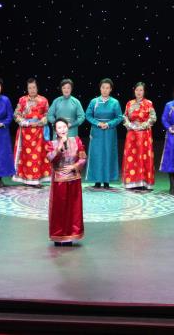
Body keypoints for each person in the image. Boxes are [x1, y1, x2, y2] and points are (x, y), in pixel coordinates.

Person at [47, 118, 87, 246]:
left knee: (73, 209)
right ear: (55, 130)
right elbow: (51, 158)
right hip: (59, 180)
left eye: (64, 127)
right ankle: (58, 235)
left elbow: (83, 158)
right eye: (59, 128)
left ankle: (70, 236)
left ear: (68, 128)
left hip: (74, 179)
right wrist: (60, 146)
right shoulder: (51, 144)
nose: (62, 129)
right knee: (59, 209)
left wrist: (74, 166)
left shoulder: (76, 140)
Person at [12, 78, 51, 187]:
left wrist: (42, 121)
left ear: (37, 88)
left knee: (38, 156)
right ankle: (26, 179)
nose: (32, 90)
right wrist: (24, 122)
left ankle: (36, 179)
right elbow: (16, 114)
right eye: (30, 88)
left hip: (39, 132)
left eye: (34, 87)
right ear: (27, 89)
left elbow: (48, 114)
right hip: (25, 132)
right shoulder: (22, 100)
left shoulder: (43, 100)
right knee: (26, 156)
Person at [84, 78, 122, 189]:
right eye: (103, 87)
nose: (105, 90)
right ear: (100, 88)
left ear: (110, 89)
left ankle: (107, 180)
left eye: (107, 88)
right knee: (97, 155)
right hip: (96, 131)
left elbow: (119, 117)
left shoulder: (115, 102)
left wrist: (109, 124)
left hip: (110, 132)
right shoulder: (94, 101)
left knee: (108, 154)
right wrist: (97, 123)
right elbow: (88, 115)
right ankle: (97, 180)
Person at [122, 82, 157, 190]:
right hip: (132, 134)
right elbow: (125, 116)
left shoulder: (149, 103)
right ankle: (132, 182)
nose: (139, 92)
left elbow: (153, 117)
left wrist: (143, 126)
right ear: (134, 91)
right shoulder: (129, 103)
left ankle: (144, 182)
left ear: (144, 91)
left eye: (141, 90)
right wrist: (131, 125)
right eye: (137, 90)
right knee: (132, 158)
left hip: (144, 134)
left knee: (144, 157)